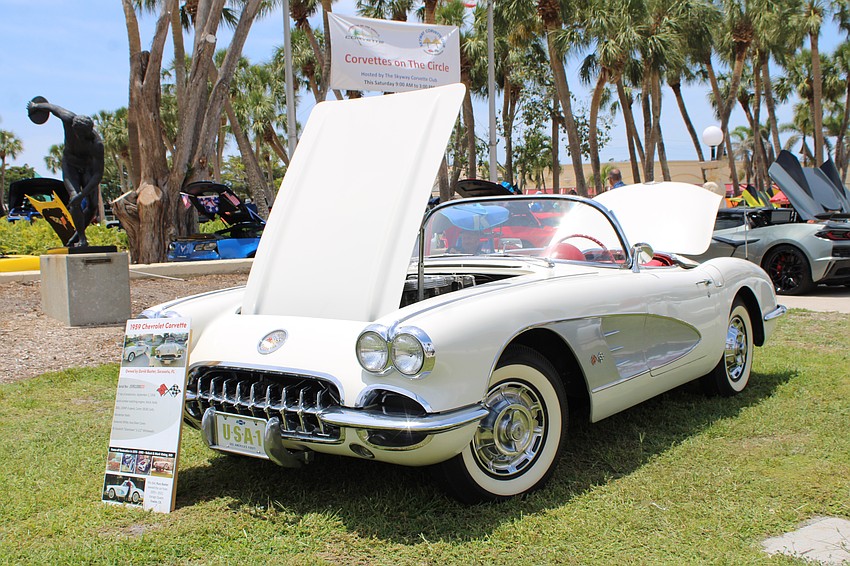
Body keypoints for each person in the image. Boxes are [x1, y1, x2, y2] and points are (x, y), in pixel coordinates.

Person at [26, 99, 104, 247]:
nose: (80, 138)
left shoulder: (97, 144)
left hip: (88, 168)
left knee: (93, 206)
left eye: (83, 135)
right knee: (74, 200)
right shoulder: (68, 118)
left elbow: (97, 175)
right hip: (70, 166)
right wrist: (36, 106)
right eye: (77, 134)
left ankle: (75, 236)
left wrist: (84, 194)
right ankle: (82, 238)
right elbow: (53, 108)